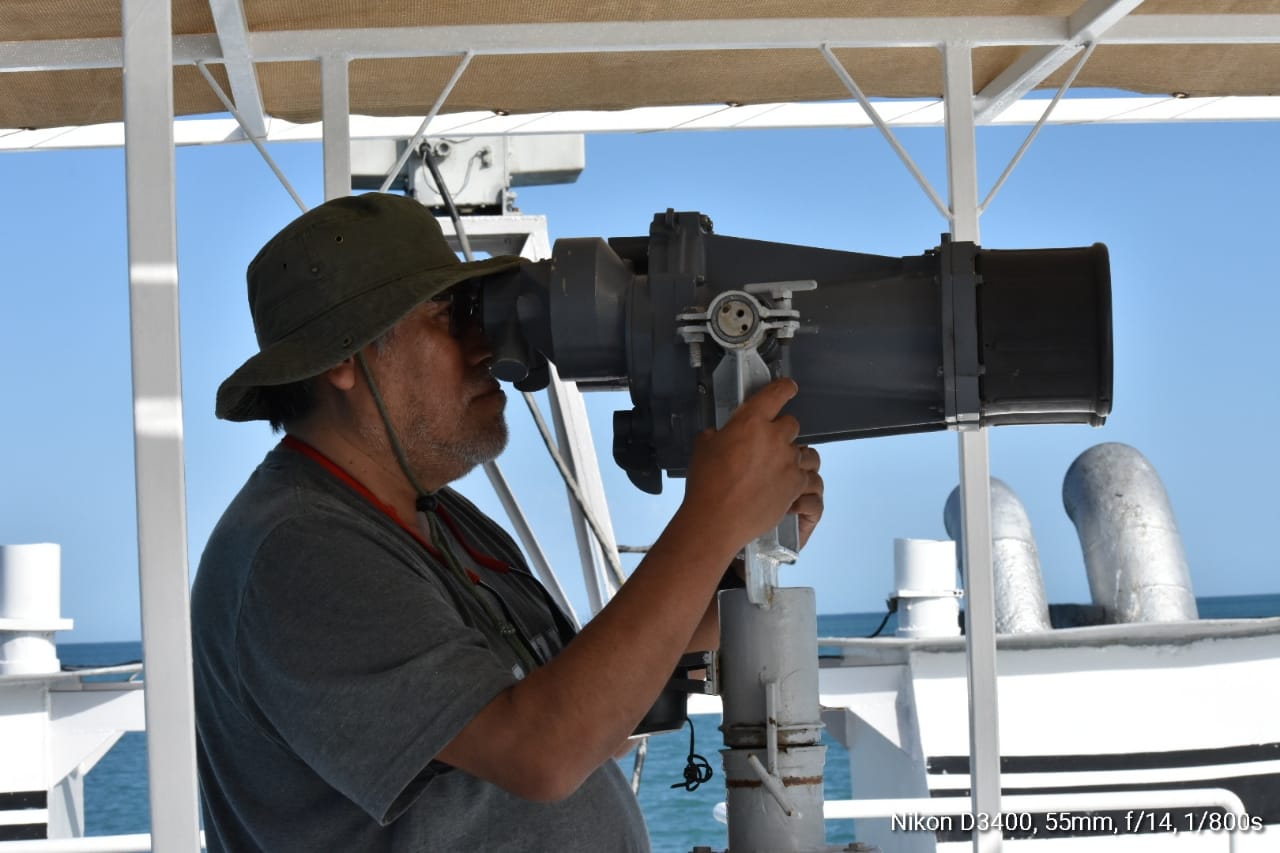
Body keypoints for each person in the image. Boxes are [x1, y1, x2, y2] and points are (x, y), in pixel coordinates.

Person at [191, 192, 824, 852]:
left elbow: (594, 713)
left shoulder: (438, 519)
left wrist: (730, 558)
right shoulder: (297, 554)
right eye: (446, 318)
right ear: (341, 361)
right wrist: (710, 519)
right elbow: (543, 750)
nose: (485, 345)